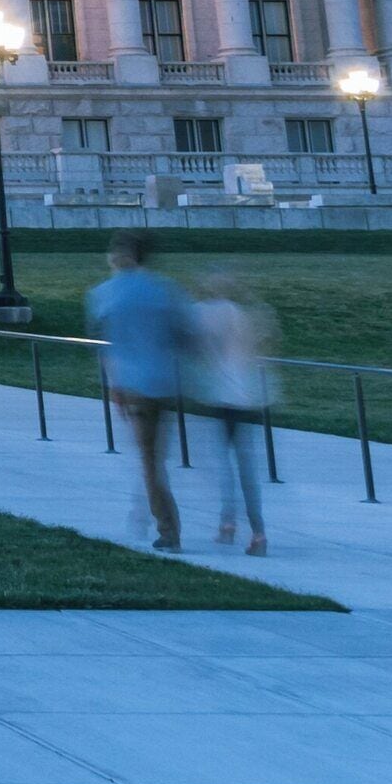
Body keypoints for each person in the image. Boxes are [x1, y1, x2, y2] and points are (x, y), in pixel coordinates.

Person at [86, 231, 191, 552]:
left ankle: (168, 529)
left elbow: (104, 345)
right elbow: (184, 334)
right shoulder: (164, 290)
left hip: (133, 385)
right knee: (155, 456)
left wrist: (112, 385)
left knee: (149, 460)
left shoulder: (103, 294)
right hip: (164, 381)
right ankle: (146, 513)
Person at [188, 268, 277, 555]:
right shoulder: (241, 313)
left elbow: (194, 347)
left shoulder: (201, 312)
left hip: (221, 394)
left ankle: (227, 524)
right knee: (246, 465)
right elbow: (261, 343)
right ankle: (259, 532)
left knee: (223, 463)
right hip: (248, 394)